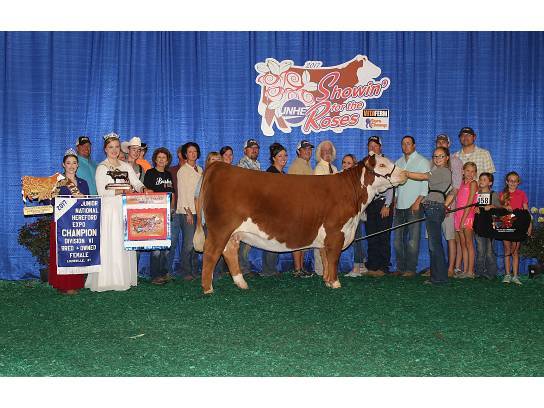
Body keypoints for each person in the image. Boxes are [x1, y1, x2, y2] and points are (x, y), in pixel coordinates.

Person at [86, 132, 148, 292]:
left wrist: (143, 188)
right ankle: (107, 279)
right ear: (105, 149)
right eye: (110, 147)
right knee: (110, 242)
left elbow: (136, 182)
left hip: (124, 209)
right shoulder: (102, 167)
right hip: (109, 210)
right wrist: (122, 190)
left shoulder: (125, 166)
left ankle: (123, 277)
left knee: (123, 242)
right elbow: (101, 191)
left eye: (116, 147)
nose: (114, 150)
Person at [404, 147, 455, 285]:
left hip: (434, 207)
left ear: (447, 158)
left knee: (434, 244)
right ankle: (438, 276)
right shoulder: (438, 170)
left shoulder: (443, 171)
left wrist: (406, 173)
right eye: (435, 156)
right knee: (434, 243)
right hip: (434, 207)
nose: (437, 159)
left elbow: (423, 176)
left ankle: (439, 278)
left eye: (441, 156)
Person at [48, 149, 90, 295]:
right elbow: (51, 202)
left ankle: (76, 283)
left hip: (77, 222)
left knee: (75, 252)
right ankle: (63, 284)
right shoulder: (57, 182)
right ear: (63, 165)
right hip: (61, 223)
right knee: (63, 253)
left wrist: (83, 198)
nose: (71, 166)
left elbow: (88, 204)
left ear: (78, 165)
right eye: (68, 163)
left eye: (74, 163)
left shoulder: (83, 183)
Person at [393, 135, 430, 277]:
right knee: (397, 240)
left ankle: (410, 269)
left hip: (414, 204)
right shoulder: (398, 162)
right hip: (400, 205)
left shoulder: (422, 161)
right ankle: (400, 268)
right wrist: (396, 199)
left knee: (413, 240)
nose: (405, 146)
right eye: (403, 143)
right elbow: (396, 184)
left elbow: (426, 183)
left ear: (414, 145)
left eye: (408, 143)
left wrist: (418, 201)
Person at [358, 136, 395, 277]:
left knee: (383, 236)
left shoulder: (386, 162)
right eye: (370, 145)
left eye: (375, 145)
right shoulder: (365, 163)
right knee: (371, 235)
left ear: (380, 147)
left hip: (382, 202)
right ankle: (373, 265)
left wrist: (387, 204)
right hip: (370, 203)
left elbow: (391, 184)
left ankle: (384, 266)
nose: (373, 148)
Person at [144, 147, 175, 285]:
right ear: (155, 159)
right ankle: (155, 275)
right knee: (156, 247)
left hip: (167, 213)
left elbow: (172, 193)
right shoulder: (150, 173)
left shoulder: (168, 174)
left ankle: (164, 273)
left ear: (167, 161)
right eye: (159, 157)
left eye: (164, 158)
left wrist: (172, 208)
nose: (162, 160)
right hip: (155, 214)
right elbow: (148, 192)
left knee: (166, 247)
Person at [176, 142, 203, 280]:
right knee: (188, 243)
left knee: (197, 241)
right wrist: (188, 212)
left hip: (199, 211)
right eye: (190, 152)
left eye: (195, 151)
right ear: (185, 154)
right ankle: (185, 270)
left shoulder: (200, 169)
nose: (193, 154)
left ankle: (195, 269)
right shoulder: (183, 171)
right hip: (187, 211)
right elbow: (182, 192)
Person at [287, 139, 314, 278]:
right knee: (298, 238)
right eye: (305, 149)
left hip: (305, 207)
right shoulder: (298, 165)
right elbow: (294, 189)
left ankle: (301, 267)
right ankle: (297, 269)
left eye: (310, 149)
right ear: (299, 151)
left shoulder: (306, 165)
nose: (308, 151)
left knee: (302, 239)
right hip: (299, 207)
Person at [261, 143, 288, 277]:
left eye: (285, 155)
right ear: (273, 158)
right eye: (280, 156)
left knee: (276, 240)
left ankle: (271, 268)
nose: (283, 158)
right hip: (271, 212)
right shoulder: (270, 173)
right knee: (271, 239)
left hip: (281, 212)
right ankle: (268, 270)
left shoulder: (284, 174)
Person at [500, 171, 531, 285]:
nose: (513, 183)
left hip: (519, 224)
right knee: (507, 250)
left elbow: (526, 212)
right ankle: (507, 274)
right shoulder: (502, 194)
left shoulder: (522, 194)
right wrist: (504, 206)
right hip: (506, 221)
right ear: (507, 182)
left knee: (515, 251)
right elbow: (498, 209)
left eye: (515, 181)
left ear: (518, 182)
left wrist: (529, 225)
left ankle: (515, 275)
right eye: (510, 181)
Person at [341, 154, 369, 278]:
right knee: (354, 238)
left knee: (356, 238)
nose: (345, 165)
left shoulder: (357, 179)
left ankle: (357, 267)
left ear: (354, 165)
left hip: (354, 212)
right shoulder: (339, 176)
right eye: (344, 162)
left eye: (349, 163)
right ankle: (362, 265)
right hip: (343, 214)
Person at [313, 140, 338, 276]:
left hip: (332, 210)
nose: (327, 153)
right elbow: (320, 190)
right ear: (320, 153)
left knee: (330, 239)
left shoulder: (334, 168)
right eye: (324, 151)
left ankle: (329, 268)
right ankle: (320, 269)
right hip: (322, 209)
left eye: (329, 150)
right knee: (320, 239)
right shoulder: (319, 168)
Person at [237, 139, 261, 275]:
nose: (254, 150)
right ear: (245, 150)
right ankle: (242, 268)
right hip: (245, 207)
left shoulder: (256, 164)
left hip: (253, 206)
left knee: (248, 239)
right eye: (251, 148)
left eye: (256, 148)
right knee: (243, 238)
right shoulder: (242, 164)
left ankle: (243, 267)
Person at [454, 162, 479, 279]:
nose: (470, 173)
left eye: (473, 171)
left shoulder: (473, 183)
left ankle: (470, 271)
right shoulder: (460, 183)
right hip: (458, 215)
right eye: (468, 170)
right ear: (463, 171)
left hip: (468, 216)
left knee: (469, 243)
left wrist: (463, 219)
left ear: (475, 173)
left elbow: (470, 202)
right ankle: (464, 270)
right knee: (463, 244)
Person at [473, 172, 500, 280]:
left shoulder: (493, 194)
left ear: (490, 183)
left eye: (484, 179)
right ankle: (479, 272)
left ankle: (491, 273)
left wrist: (492, 206)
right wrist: (475, 209)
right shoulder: (476, 194)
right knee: (480, 250)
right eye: (480, 179)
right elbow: (472, 206)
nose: (481, 181)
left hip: (490, 227)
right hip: (479, 226)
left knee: (489, 251)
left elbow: (500, 209)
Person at [167, 144, 186, 277]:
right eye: (183, 152)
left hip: (189, 210)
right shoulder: (171, 171)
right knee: (172, 241)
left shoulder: (197, 170)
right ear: (179, 154)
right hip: (174, 210)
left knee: (189, 243)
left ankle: (188, 270)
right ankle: (167, 270)